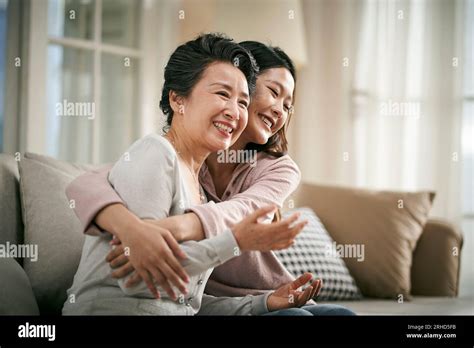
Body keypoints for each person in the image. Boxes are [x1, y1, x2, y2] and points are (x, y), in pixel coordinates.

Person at [66, 39, 355, 316]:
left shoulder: (274, 168)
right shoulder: (162, 154)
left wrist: (172, 229)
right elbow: (88, 182)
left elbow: (240, 215)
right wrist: (133, 229)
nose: (280, 109)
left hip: (249, 296)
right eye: (223, 93)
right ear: (179, 98)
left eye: (241, 100)